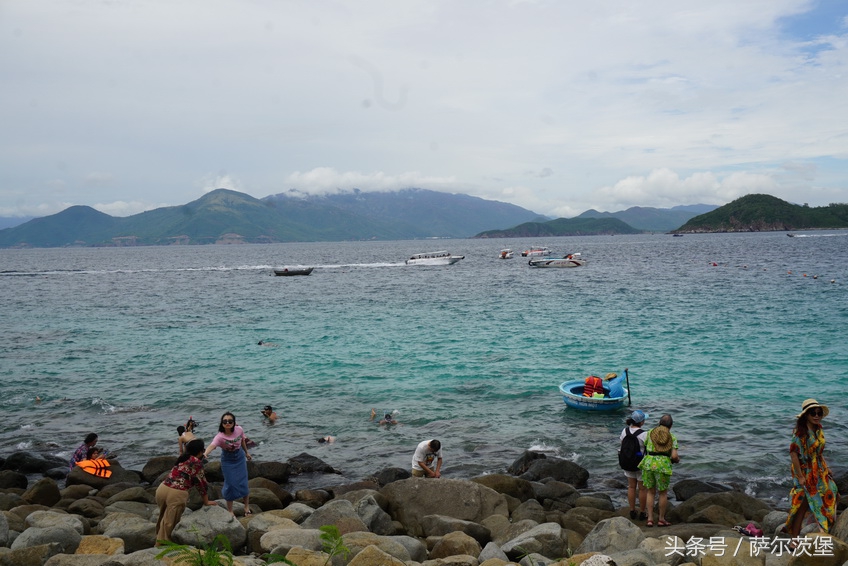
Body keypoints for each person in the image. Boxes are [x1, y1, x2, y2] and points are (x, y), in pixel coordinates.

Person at [785, 399, 838, 540]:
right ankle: (794, 540)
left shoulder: (818, 428)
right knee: (802, 504)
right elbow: (793, 454)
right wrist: (800, 476)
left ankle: (824, 529)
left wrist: (826, 467)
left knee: (831, 491)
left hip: (819, 469)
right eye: (813, 413)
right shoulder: (800, 432)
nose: (816, 416)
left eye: (819, 413)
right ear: (806, 415)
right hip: (805, 471)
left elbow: (818, 452)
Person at [155, 438, 217, 544]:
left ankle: (158, 540)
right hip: (177, 492)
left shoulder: (183, 457)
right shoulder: (197, 462)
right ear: (200, 451)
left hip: (162, 488)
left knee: (162, 518)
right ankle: (162, 548)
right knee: (170, 524)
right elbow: (201, 484)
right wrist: (206, 502)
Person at [204, 412, 252, 516]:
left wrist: (247, 453)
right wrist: (205, 453)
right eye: (225, 421)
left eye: (230, 421)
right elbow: (212, 445)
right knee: (229, 484)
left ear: (234, 423)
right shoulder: (220, 437)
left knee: (243, 482)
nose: (227, 423)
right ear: (222, 423)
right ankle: (230, 510)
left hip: (239, 457)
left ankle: (246, 507)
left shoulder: (239, 429)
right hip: (227, 460)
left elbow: (242, 440)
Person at [638, 414, 679, 527]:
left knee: (650, 491)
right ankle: (661, 519)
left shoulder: (650, 433)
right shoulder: (672, 437)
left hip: (648, 463)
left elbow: (644, 445)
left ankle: (650, 519)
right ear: (670, 426)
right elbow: (674, 456)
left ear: (659, 423)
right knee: (663, 493)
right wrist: (676, 460)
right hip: (663, 465)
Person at [620, 410, 648, 520]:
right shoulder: (644, 434)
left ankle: (632, 510)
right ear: (641, 422)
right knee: (642, 489)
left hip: (627, 462)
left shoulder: (624, 431)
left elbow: (622, 445)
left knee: (631, 487)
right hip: (640, 464)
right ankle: (642, 512)